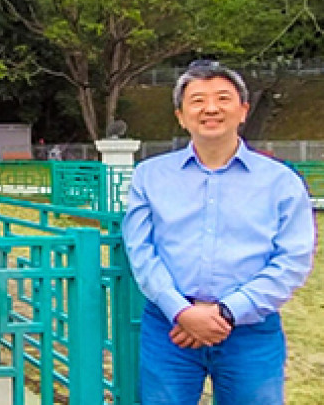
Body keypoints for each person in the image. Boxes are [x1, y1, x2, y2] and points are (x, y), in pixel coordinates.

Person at [122, 60, 316, 404]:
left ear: (243, 110)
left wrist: (226, 312)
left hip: (251, 330)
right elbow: (140, 250)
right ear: (181, 116)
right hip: (170, 328)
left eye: (223, 98)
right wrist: (181, 311)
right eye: (197, 100)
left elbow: (293, 260)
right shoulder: (149, 177)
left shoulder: (281, 182)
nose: (210, 109)